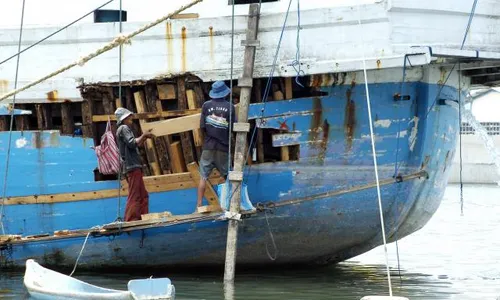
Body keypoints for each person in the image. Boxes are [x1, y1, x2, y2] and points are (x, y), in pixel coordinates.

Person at [197, 81, 236, 211]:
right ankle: (232, 204)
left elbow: (202, 126)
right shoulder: (230, 107)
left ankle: (199, 206)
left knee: (203, 176)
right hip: (223, 147)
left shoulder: (206, 105)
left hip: (208, 146)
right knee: (227, 176)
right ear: (225, 93)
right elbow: (232, 127)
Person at [114, 107, 155, 221]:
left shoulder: (122, 129)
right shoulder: (124, 128)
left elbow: (134, 144)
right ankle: (131, 219)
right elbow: (132, 143)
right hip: (132, 166)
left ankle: (143, 217)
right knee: (135, 194)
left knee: (143, 194)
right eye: (129, 117)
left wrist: (144, 137)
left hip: (133, 166)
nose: (131, 118)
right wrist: (143, 136)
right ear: (124, 119)